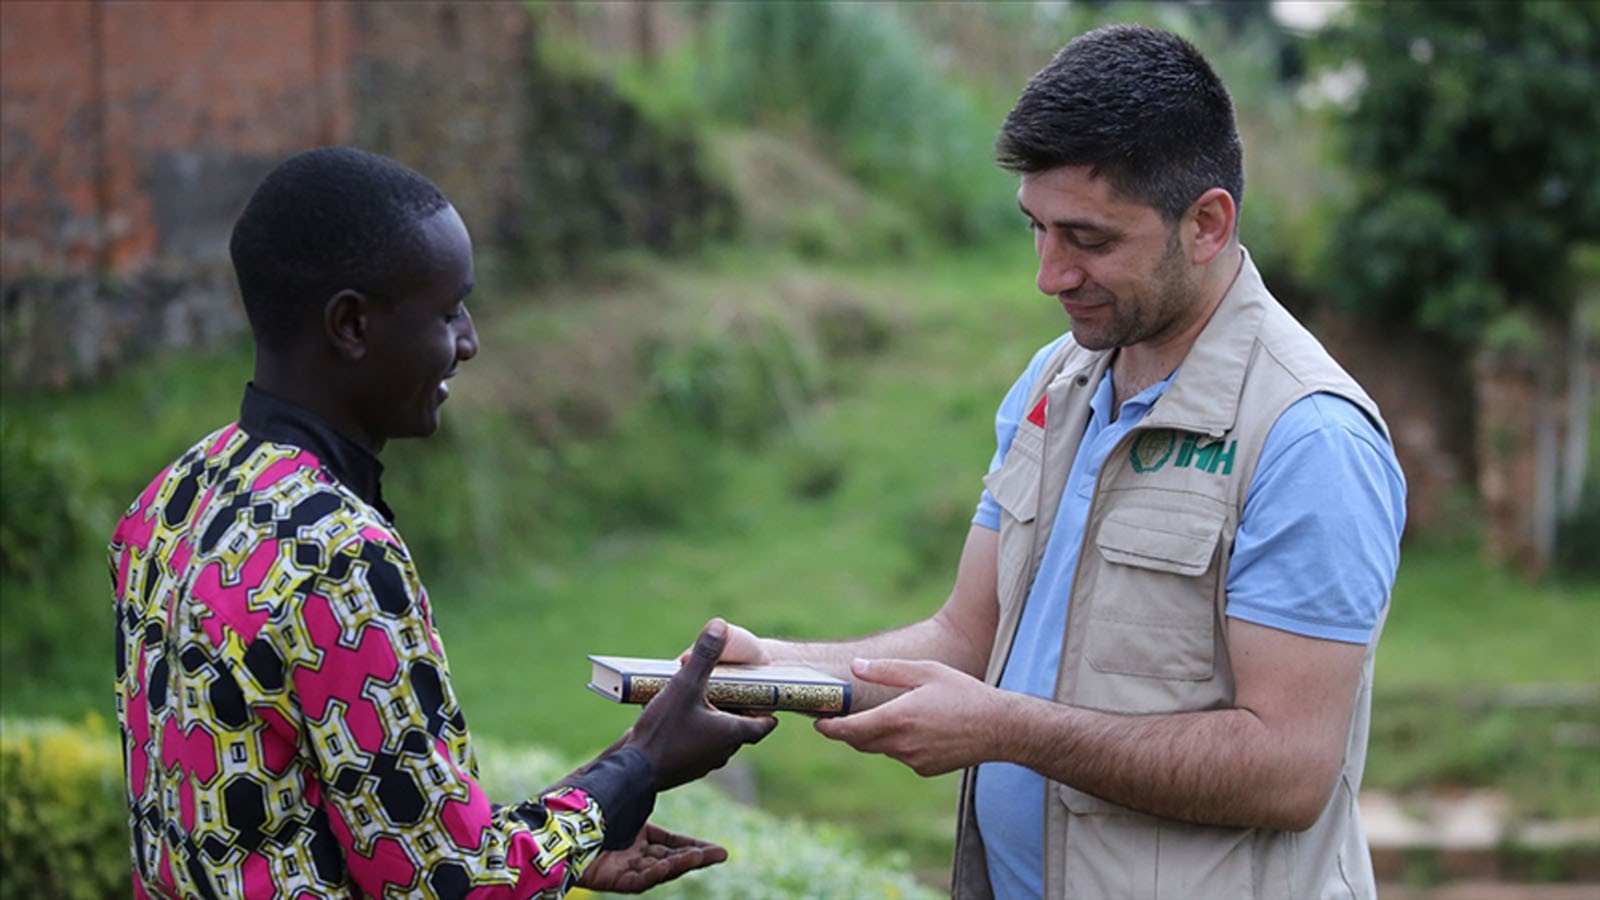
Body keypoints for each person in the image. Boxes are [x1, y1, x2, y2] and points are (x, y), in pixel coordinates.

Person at [708, 24, 1406, 899]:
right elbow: (966, 636)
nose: (1049, 274)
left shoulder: (1309, 438)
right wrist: (771, 670)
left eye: (1088, 239)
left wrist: (1010, 730)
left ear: (1206, 223)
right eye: (1037, 228)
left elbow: (1290, 769)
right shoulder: (1056, 381)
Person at [109, 146, 776, 899]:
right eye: (448, 310)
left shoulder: (173, 498)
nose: (469, 340)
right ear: (352, 325)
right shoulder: (337, 554)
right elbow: (449, 885)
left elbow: (362, 826)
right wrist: (643, 764)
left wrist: (574, 829)